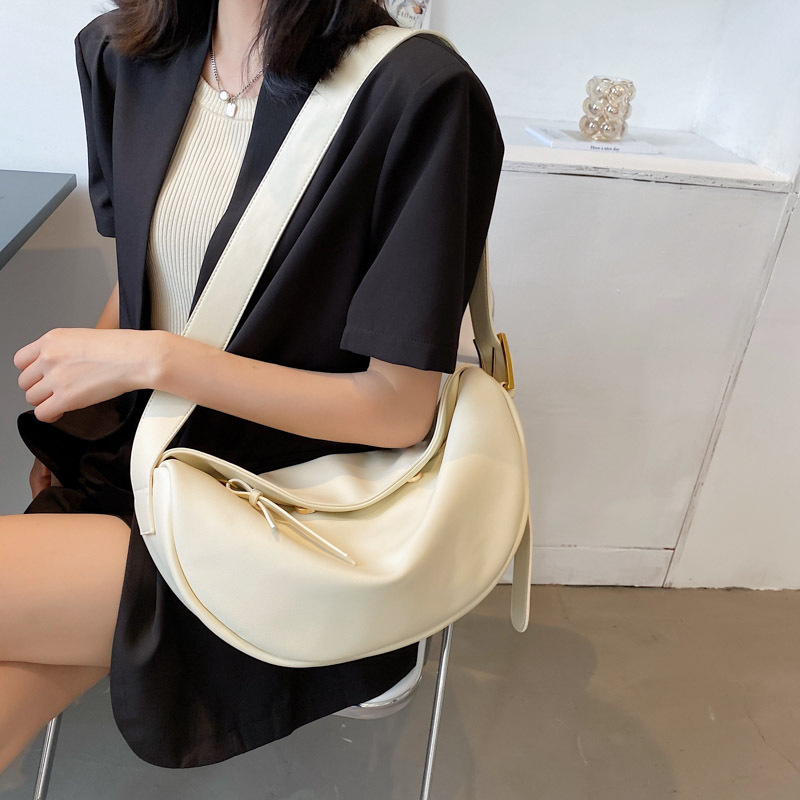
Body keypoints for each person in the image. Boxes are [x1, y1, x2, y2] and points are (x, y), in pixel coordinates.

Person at [3, 0, 505, 772]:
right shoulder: (122, 56)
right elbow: (148, 275)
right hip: (133, 475)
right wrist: (81, 427)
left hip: (280, 520)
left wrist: (156, 362)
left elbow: (397, 409)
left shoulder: (417, 93)